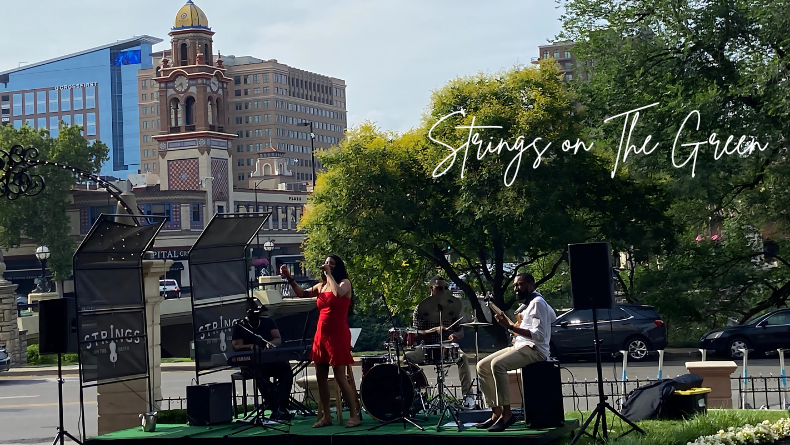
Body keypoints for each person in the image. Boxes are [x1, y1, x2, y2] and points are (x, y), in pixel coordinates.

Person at [281, 255, 361, 428]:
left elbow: (337, 293)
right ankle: (327, 416)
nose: (327, 265)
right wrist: (289, 278)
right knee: (320, 376)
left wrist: (329, 274)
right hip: (321, 335)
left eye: (331, 264)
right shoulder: (321, 286)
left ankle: (354, 415)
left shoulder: (344, 283)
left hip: (338, 334)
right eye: (326, 263)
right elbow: (302, 294)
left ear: (337, 267)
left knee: (340, 376)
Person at [475, 273, 557, 432]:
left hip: (536, 350)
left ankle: (507, 414)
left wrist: (510, 327)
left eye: (519, 284)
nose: (515, 288)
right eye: (514, 285)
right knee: (482, 366)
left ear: (530, 284)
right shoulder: (530, 303)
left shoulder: (538, 302)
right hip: (520, 345)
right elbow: (551, 317)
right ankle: (495, 413)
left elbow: (539, 335)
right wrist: (510, 325)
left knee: (497, 365)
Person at [404, 276, 474, 408]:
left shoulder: (452, 307)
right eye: (440, 288)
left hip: (447, 346)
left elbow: (461, 331)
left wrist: (456, 335)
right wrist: (433, 330)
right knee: (405, 358)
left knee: (463, 358)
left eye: (446, 288)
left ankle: (468, 396)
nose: (443, 290)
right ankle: (414, 395)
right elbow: (416, 334)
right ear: (431, 288)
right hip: (426, 347)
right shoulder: (420, 308)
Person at [231, 300, 294, 421]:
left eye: (259, 313)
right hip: (250, 363)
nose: (258, 315)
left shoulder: (268, 321)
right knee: (260, 375)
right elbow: (236, 345)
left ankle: (282, 405)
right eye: (255, 313)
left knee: (286, 369)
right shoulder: (240, 325)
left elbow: (277, 338)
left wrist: (271, 344)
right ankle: (275, 408)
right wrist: (250, 346)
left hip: (269, 360)